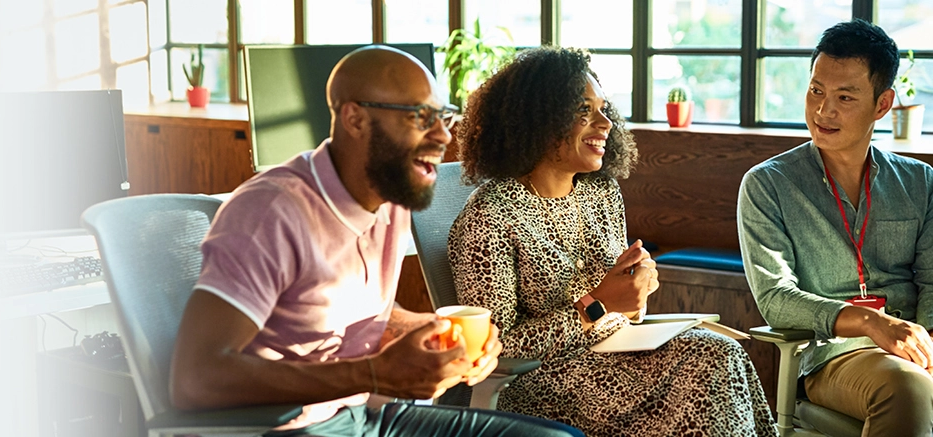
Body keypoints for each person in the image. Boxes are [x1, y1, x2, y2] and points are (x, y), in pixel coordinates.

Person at [169, 45, 582, 437]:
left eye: (444, 117)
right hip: (293, 426)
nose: (442, 136)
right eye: (421, 117)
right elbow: (195, 379)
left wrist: (435, 330)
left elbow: (357, 311)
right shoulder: (271, 213)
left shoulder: (390, 195)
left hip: (366, 414)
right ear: (355, 119)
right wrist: (373, 374)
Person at [450, 46, 776, 436]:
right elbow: (495, 349)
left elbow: (622, 304)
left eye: (603, 108)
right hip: (541, 380)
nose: (605, 123)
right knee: (708, 362)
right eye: (583, 111)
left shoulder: (600, 193)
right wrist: (598, 305)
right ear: (535, 120)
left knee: (722, 352)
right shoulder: (490, 215)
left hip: (618, 350)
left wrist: (637, 289)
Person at [738, 19, 933, 436]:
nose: (823, 111)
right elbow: (775, 298)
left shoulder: (920, 183)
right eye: (816, 91)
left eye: (844, 97)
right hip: (835, 355)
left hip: (918, 347)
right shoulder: (768, 184)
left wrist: (927, 344)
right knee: (906, 388)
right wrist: (869, 323)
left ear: (882, 105)